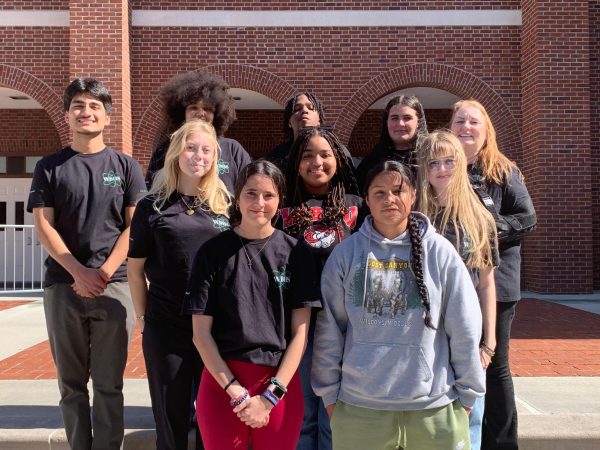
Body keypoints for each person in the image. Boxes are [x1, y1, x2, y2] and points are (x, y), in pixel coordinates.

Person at [312, 161, 485, 450]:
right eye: (379, 193)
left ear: (413, 195)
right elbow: (329, 331)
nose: (389, 199)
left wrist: (467, 396)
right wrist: (330, 397)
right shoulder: (346, 255)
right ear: (366, 199)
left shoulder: (440, 252)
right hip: (360, 410)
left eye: (397, 190)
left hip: (434, 410)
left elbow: (464, 326)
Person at [27, 77, 147, 450]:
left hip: (115, 286)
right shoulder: (50, 166)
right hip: (63, 286)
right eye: (78, 105)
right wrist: (78, 272)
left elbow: (134, 227)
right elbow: (43, 226)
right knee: (70, 383)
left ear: (107, 117)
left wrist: (105, 272)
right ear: (67, 114)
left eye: (95, 106)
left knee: (110, 383)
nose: (86, 112)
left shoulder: (126, 167)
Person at [185, 160, 322, 450]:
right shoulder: (212, 253)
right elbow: (201, 334)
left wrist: (271, 395)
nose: (259, 202)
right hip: (222, 381)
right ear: (237, 196)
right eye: (250, 193)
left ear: (279, 200)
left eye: (268, 195)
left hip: (277, 383)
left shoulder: (297, 253)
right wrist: (235, 391)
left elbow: (300, 334)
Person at [128, 121, 231, 450]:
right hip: (166, 325)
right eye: (191, 147)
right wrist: (143, 319)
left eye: (206, 150)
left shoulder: (224, 207)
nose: (198, 156)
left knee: (211, 418)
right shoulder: (152, 206)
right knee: (170, 416)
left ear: (214, 157)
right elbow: (135, 267)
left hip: (215, 329)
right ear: (176, 153)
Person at [450, 99, 537, 450]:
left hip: (496, 286)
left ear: (486, 130)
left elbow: (527, 218)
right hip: (455, 284)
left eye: (473, 122)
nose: (466, 127)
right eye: (459, 121)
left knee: (494, 365)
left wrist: (485, 227)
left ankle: (501, 444)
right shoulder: (444, 168)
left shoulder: (503, 171)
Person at [279, 127, 364, 450]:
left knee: (335, 409)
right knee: (301, 411)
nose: (317, 162)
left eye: (325, 154)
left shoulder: (357, 207)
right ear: (296, 163)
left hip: (344, 325)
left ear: (339, 160)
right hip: (297, 324)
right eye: (308, 155)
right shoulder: (281, 207)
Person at [417, 130, 499, 450]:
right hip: (427, 335)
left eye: (449, 161)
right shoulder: (418, 218)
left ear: (461, 163)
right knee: (428, 421)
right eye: (433, 162)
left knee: (470, 418)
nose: (441, 169)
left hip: (469, 336)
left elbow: (487, 283)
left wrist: (489, 342)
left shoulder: (480, 218)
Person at [145, 71, 251, 194]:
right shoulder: (165, 150)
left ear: (217, 114)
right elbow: (152, 191)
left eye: (207, 109)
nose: (201, 113)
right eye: (193, 108)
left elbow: (248, 189)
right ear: (181, 113)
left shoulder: (233, 149)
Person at [265, 92, 354, 173]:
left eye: (311, 108)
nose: (304, 111)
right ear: (289, 123)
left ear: (319, 119)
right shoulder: (276, 156)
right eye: (297, 109)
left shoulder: (338, 151)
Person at [355, 94, 428, 189]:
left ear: (418, 122)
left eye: (407, 118)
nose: (400, 124)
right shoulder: (372, 162)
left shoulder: (431, 157)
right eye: (394, 118)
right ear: (387, 122)